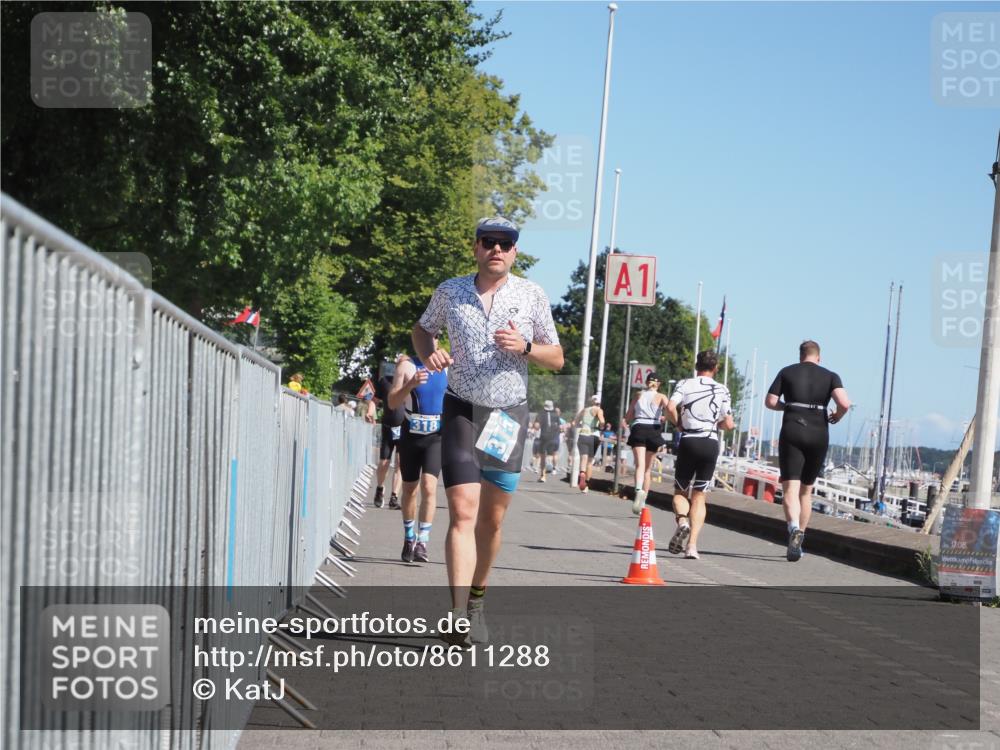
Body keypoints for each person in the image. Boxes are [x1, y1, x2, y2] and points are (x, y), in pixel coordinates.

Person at [413, 215, 563, 647]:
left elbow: (557, 358)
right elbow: (422, 330)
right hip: (461, 408)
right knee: (462, 512)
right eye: (488, 241)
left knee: (491, 521)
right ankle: (458, 615)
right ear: (476, 248)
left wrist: (526, 347)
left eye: (505, 243)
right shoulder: (450, 291)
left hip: (505, 416)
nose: (497, 249)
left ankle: (477, 600)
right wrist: (430, 353)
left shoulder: (532, 295)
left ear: (515, 252)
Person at [765, 340, 851, 562]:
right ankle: (800, 537)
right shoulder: (831, 376)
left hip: (793, 429)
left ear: (800, 355)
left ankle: (793, 528)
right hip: (819, 433)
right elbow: (844, 403)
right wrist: (837, 416)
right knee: (806, 492)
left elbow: (770, 401)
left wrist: (787, 406)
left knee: (790, 489)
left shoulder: (787, 372)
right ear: (818, 357)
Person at [665, 351, 735, 560]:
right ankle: (692, 546)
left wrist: (678, 423)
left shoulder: (685, 384)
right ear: (716, 368)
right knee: (700, 495)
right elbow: (729, 423)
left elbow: (669, 406)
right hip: (710, 442)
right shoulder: (722, 389)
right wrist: (717, 425)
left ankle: (682, 521)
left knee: (680, 491)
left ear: (696, 366)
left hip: (689, 440)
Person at [388, 355, 448, 563]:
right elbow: (392, 401)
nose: (433, 341)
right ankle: (409, 537)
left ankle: (422, 541)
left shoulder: (447, 366)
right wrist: (410, 384)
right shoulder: (406, 366)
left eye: (436, 338)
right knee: (410, 489)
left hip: (436, 438)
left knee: (429, 487)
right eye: (428, 338)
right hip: (410, 437)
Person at [625, 371, 671, 514]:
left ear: (646, 383)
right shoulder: (661, 396)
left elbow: (629, 415)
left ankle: (638, 490)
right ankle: (643, 502)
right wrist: (665, 418)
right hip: (653, 428)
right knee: (647, 469)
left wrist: (626, 422)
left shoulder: (638, 395)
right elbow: (670, 409)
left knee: (639, 465)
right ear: (659, 384)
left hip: (638, 427)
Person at [374, 356, 407, 508]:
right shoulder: (385, 381)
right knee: (384, 462)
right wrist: (371, 410)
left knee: (400, 463)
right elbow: (374, 400)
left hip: (404, 428)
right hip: (388, 427)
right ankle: (380, 488)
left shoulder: (411, 383)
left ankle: (394, 497)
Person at [573, 395, 605, 493]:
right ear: (599, 402)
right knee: (590, 462)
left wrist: (581, 425)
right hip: (593, 435)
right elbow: (602, 421)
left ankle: (582, 473)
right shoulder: (599, 410)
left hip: (583, 434)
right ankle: (586, 484)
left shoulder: (584, 410)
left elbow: (574, 423)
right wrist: (601, 427)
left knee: (583, 458)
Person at [537, 401, 561, 482]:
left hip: (544, 437)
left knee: (542, 456)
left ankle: (543, 476)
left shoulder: (540, 414)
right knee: (554, 453)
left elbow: (536, 426)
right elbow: (560, 427)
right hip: (554, 437)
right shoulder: (556, 415)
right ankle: (552, 466)